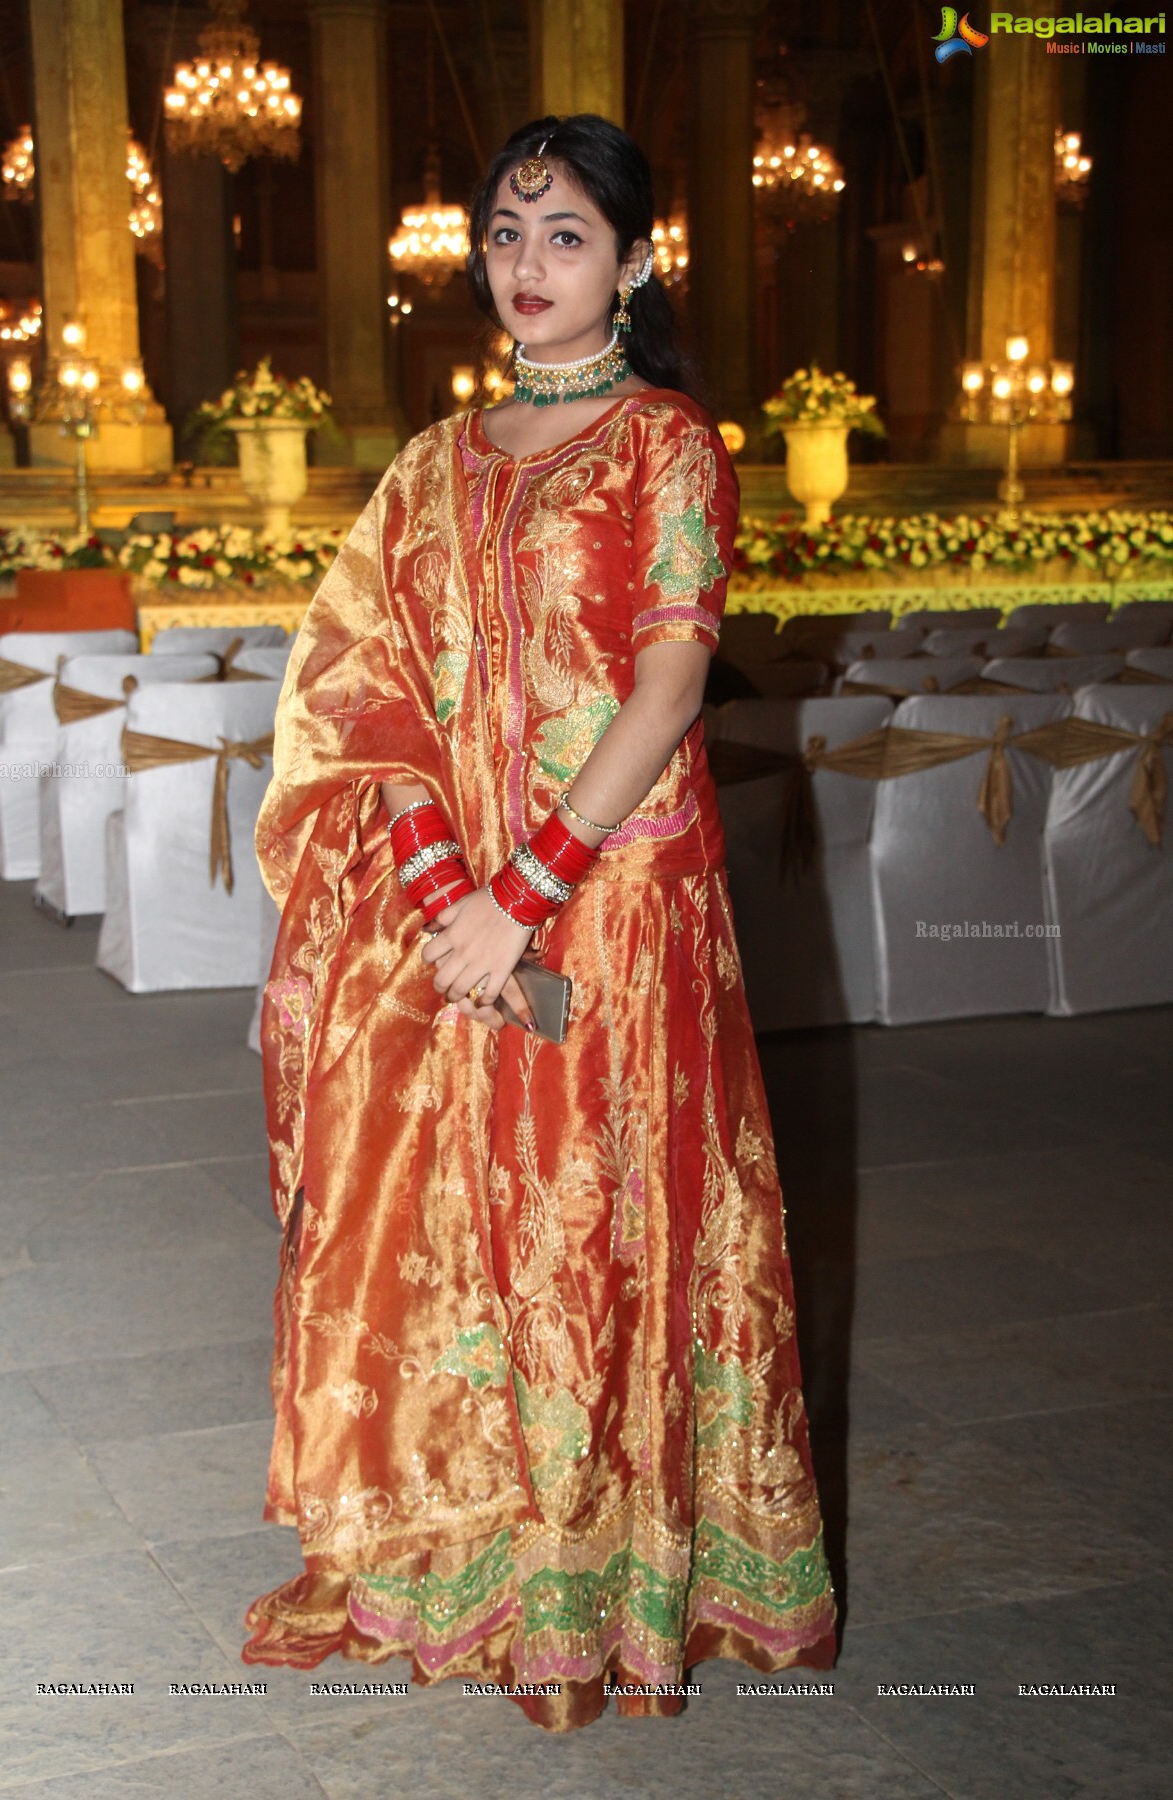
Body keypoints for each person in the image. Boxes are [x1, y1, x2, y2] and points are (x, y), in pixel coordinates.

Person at [242, 112, 837, 1732]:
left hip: (621, 904)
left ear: (634, 264)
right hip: (462, 918)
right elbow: (375, 691)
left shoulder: (666, 445)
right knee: (463, 1220)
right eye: (505, 234)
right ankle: (486, 1550)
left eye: (564, 235)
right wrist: (448, 896)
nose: (526, 267)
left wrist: (529, 895)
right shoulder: (433, 466)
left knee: (606, 1223)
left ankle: (616, 1581)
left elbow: (669, 679)